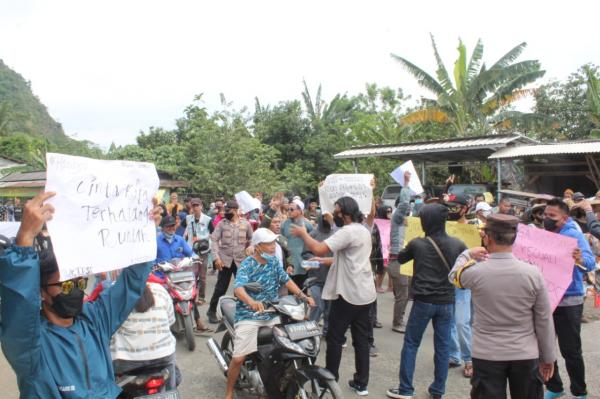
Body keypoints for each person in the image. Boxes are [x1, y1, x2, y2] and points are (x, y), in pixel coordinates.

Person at [0, 191, 160, 398]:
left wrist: (145, 235)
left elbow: (131, 283)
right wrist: (25, 238)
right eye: (66, 285)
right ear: (42, 292)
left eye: (80, 283)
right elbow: (19, 304)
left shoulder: (94, 320)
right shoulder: (31, 344)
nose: (75, 291)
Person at [449, 214, 556, 399]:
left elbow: (453, 276)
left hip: (486, 354)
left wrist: (467, 254)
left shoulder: (475, 272)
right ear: (514, 239)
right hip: (525, 353)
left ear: (487, 238)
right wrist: (548, 357)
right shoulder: (533, 273)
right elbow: (544, 320)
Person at [292, 196, 376, 396]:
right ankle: (361, 383)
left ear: (345, 213)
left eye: (336, 211)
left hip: (347, 294)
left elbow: (319, 246)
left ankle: (329, 380)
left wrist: (304, 234)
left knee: (335, 337)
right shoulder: (362, 229)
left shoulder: (347, 231)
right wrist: (323, 260)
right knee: (361, 340)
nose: (333, 214)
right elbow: (346, 258)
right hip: (365, 294)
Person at [386, 203, 467, 399]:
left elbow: (401, 259)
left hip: (422, 301)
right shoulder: (458, 244)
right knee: (443, 347)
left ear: (425, 221)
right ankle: (438, 390)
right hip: (447, 302)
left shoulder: (417, 244)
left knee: (412, 344)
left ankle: (405, 389)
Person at [224, 228, 315, 399]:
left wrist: (303, 296)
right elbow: (238, 288)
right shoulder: (248, 264)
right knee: (238, 359)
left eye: (274, 243)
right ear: (258, 247)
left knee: (287, 349)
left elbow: (286, 280)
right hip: (249, 316)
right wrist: (251, 302)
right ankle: (229, 393)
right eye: (268, 244)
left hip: (272, 313)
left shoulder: (273, 262)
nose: (273, 247)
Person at [542, 198, 595, 399]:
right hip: (545, 300)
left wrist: (579, 258)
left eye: (552, 216)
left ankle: (579, 391)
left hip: (569, 300)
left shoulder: (573, 235)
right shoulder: (542, 236)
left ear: (564, 219)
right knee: (545, 347)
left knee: (570, 349)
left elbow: (589, 263)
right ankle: (554, 387)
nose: (546, 219)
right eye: (545, 215)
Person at [111, 281, 178, 389]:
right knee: (171, 385)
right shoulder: (160, 290)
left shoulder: (113, 293)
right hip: (164, 356)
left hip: (126, 362)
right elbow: (170, 321)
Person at [207, 200, 253, 324]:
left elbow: (252, 239)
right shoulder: (222, 224)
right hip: (225, 260)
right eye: (225, 210)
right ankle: (211, 311)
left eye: (229, 211)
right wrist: (216, 257)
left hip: (240, 260)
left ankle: (239, 312)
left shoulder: (246, 224)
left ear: (236, 210)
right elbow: (214, 240)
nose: (226, 213)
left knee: (241, 288)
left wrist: (251, 246)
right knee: (221, 288)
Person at [445, 194, 474, 378]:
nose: (451, 209)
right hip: (446, 279)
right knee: (449, 321)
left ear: (465, 208)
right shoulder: (444, 227)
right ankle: (454, 355)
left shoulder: (475, 228)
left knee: (462, 322)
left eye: (455, 206)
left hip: (464, 281)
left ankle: (469, 359)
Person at [388, 170, 413, 334]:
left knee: (403, 293)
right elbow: (404, 204)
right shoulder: (397, 218)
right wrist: (406, 183)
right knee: (402, 294)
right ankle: (397, 323)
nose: (409, 207)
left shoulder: (406, 222)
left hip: (404, 261)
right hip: (397, 261)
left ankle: (400, 320)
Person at [184, 198, 212, 304]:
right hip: (191, 251)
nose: (195, 207)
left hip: (203, 251)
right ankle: (192, 297)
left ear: (201, 206)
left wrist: (207, 243)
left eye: (197, 205)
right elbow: (182, 230)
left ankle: (201, 297)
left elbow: (213, 234)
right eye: (193, 205)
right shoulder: (187, 218)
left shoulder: (208, 219)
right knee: (192, 275)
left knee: (202, 276)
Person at [281, 199, 314, 288]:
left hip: (304, 265)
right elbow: (282, 243)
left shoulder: (307, 225)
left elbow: (314, 244)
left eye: (292, 209)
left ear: (300, 211)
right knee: (291, 293)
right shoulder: (284, 224)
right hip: (290, 264)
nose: (289, 211)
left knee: (303, 292)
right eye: (288, 209)